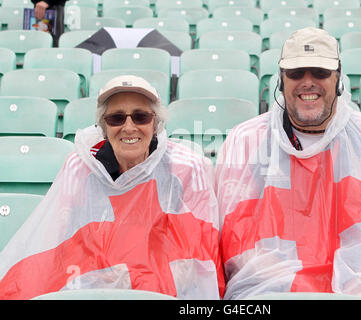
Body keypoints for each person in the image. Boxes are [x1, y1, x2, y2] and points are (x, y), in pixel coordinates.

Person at [215, 27, 361, 300]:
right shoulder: (245, 141)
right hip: (270, 290)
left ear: (338, 78)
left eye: (320, 72)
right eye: (296, 73)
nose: (308, 82)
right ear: (281, 81)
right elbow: (230, 238)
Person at [0, 75, 224, 300]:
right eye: (116, 118)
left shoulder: (187, 169)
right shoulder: (79, 168)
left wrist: (132, 283)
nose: (129, 127)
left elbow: (196, 260)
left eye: (141, 117)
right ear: (104, 127)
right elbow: (61, 245)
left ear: (155, 123)